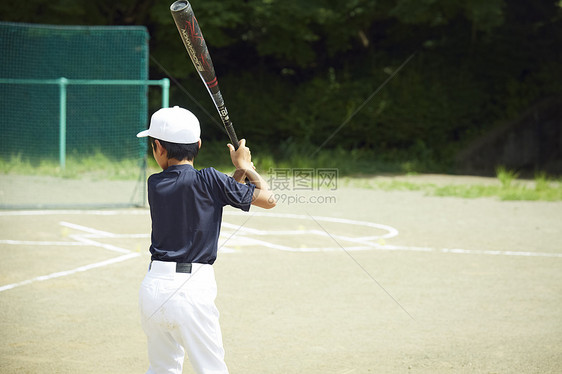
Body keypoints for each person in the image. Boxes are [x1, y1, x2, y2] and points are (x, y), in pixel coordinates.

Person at [136, 106, 275, 374]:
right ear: (198, 144)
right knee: (211, 369)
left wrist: (238, 175)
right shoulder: (210, 179)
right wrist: (245, 168)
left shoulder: (156, 183)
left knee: (162, 368)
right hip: (191, 290)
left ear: (158, 148)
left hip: (153, 289)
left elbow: (215, 197)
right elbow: (268, 200)